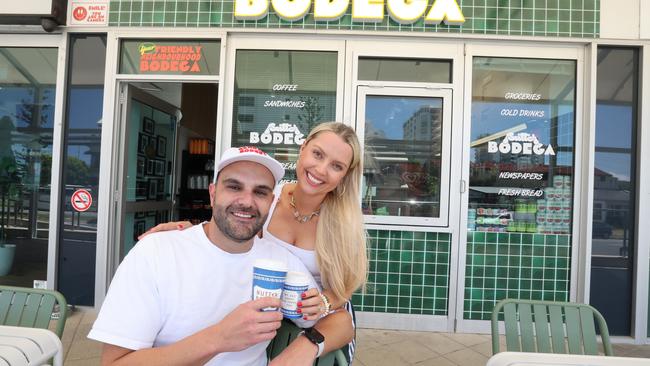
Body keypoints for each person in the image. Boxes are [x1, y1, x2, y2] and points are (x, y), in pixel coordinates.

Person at [142, 122, 368, 365]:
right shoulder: (266, 196)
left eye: (336, 166)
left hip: (322, 316)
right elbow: (228, 231)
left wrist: (322, 303)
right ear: (303, 149)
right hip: (266, 311)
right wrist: (189, 232)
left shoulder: (345, 222)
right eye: (317, 154)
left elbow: (345, 287)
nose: (321, 170)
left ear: (345, 175)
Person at [88, 146, 321, 365]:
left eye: (260, 192)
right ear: (212, 194)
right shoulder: (156, 253)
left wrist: (308, 344)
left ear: (270, 203)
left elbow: (336, 319)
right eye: (234, 187)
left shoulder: (280, 262)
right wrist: (219, 338)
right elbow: (115, 362)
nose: (247, 201)